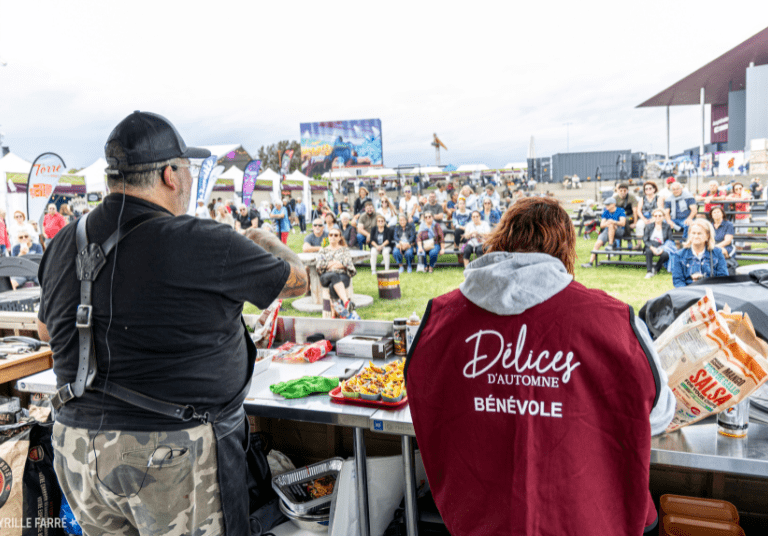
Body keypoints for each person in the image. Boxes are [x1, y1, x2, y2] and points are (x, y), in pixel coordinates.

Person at [37, 110, 307, 536]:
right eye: (187, 169)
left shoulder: (63, 243)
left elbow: (48, 331)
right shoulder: (201, 239)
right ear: (170, 175)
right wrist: (268, 242)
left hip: (76, 448)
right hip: (170, 456)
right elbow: (297, 283)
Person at [406, 196, 675, 536]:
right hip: (589, 518)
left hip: (477, 519)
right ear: (565, 252)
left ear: (499, 240)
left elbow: (422, 401)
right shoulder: (613, 321)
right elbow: (659, 414)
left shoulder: (439, 322)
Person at [672, 219, 728, 287]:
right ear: (689, 234)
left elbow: (723, 278)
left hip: (711, 290)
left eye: (699, 233)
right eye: (693, 233)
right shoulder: (679, 255)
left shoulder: (717, 253)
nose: (696, 236)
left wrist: (705, 280)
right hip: (688, 292)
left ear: (707, 236)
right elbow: (677, 281)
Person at [316, 228, 357, 317]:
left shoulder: (344, 250)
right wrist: (340, 263)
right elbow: (319, 265)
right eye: (331, 235)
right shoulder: (322, 250)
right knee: (333, 275)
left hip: (343, 275)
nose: (333, 237)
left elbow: (349, 264)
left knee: (332, 285)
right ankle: (346, 303)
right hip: (326, 276)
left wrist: (329, 264)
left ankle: (335, 311)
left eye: (336, 235)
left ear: (339, 238)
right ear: (328, 237)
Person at [581, 197, 626, 268]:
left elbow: (623, 223)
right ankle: (590, 263)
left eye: (608, 204)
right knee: (597, 244)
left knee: (611, 224)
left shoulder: (620, 210)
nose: (606, 206)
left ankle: (610, 245)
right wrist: (609, 222)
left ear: (613, 204)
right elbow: (602, 225)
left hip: (619, 231)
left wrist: (613, 222)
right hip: (607, 230)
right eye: (606, 204)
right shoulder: (605, 212)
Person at [642, 209, 672, 278]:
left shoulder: (667, 226)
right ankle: (649, 271)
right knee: (648, 251)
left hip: (662, 245)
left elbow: (670, 240)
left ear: (663, 217)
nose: (657, 217)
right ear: (653, 217)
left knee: (665, 254)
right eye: (655, 216)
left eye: (660, 216)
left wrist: (662, 248)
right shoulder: (649, 226)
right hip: (650, 245)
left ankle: (656, 269)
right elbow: (645, 239)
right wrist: (652, 248)